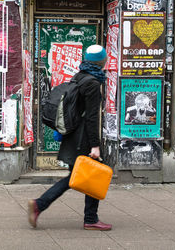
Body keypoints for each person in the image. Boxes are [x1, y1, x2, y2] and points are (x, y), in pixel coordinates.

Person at [28, 45, 112, 231]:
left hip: (74, 135)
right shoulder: (92, 83)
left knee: (82, 176)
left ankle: (88, 217)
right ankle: (42, 205)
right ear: (101, 62)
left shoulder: (79, 76)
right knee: (89, 175)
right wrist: (95, 145)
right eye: (104, 59)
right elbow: (91, 117)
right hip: (83, 138)